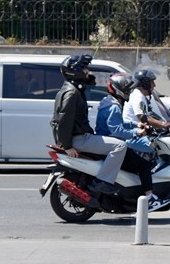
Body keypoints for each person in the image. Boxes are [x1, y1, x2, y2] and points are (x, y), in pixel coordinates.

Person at [51, 54, 127, 191]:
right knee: (120, 146)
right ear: (76, 71)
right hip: (78, 139)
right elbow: (64, 120)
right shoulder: (72, 93)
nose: (88, 72)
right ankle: (103, 182)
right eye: (84, 69)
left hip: (77, 137)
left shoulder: (71, 89)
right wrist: (67, 146)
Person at [96, 73, 166, 212]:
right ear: (119, 90)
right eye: (127, 89)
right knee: (144, 163)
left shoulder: (110, 103)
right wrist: (136, 132)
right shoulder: (114, 107)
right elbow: (116, 130)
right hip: (113, 144)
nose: (129, 92)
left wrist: (135, 126)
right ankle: (149, 198)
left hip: (111, 143)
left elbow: (120, 124)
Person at [124, 68, 170, 133]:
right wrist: (164, 124)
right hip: (133, 134)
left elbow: (148, 116)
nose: (154, 85)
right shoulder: (138, 96)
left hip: (139, 131)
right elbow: (143, 118)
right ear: (146, 83)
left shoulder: (140, 95)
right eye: (152, 82)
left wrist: (160, 122)